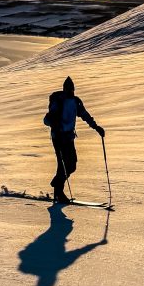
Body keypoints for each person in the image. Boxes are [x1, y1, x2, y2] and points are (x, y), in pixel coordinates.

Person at [43, 75, 104, 204]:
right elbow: (46, 119)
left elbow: (85, 115)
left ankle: (56, 184)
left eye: (72, 89)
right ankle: (59, 192)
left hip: (69, 137)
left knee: (72, 165)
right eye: (68, 89)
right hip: (58, 138)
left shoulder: (76, 101)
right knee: (63, 165)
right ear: (64, 89)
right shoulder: (58, 101)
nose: (70, 92)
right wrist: (55, 124)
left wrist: (96, 127)